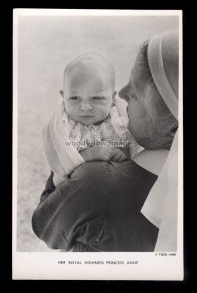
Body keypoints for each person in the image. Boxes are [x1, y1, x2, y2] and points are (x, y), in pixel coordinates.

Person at [32, 30, 179, 252]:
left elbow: (43, 225)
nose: (121, 94)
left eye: (136, 93)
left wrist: (59, 176)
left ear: (172, 125)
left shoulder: (94, 182)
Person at [43, 53, 138, 186]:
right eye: (75, 98)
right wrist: (91, 154)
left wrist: (123, 155)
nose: (85, 107)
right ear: (63, 96)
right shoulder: (63, 126)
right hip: (79, 191)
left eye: (97, 98)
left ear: (112, 97)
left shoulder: (119, 118)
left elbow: (135, 150)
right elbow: (59, 172)